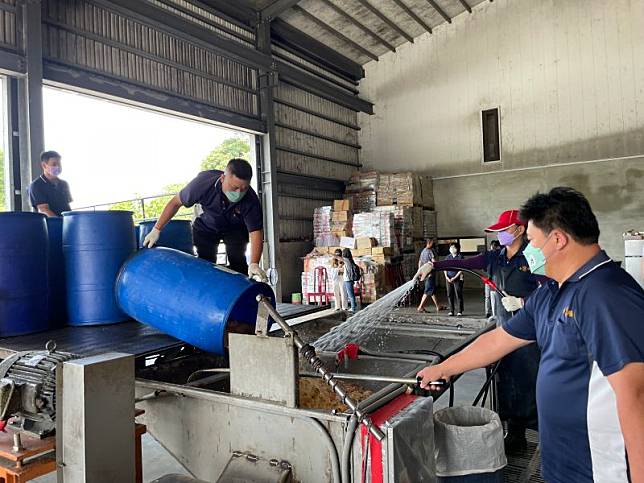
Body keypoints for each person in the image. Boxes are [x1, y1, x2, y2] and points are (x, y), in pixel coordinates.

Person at [417, 187, 644, 483]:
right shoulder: (551, 291)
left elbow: (636, 398)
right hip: (562, 463)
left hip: (600, 470)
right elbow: (499, 340)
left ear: (558, 239)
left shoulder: (607, 295)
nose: (529, 249)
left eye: (534, 241)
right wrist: (444, 368)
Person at [416, 209, 541, 450]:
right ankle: (515, 436)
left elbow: (552, 290)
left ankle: (542, 436)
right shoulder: (495, 257)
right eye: (499, 231)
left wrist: (524, 302)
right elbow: (463, 263)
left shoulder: (534, 257)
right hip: (503, 329)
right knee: (506, 382)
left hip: (530, 334)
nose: (501, 234)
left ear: (520, 230)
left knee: (530, 383)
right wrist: (434, 265)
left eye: (505, 230)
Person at [144, 159, 267, 282]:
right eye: (234, 188)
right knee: (206, 263)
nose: (238, 193)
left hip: (235, 229)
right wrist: (156, 229)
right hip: (205, 226)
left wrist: (254, 263)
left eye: (243, 189)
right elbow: (176, 202)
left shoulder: (251, 199)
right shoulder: (202, 184)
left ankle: (240, 296)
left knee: (238, 262)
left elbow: (255, 232)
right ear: (223, 178)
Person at [28, 151, 72, 217]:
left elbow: (67, 208)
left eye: (59, 164)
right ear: (44, 165)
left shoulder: (64, 184)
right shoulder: (36, 186)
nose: (58, 167)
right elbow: (44, 210)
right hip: (49, 224)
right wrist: (60, 222)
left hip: (66, 223)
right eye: (54, 164)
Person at [416, 239, 443, 313]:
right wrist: (439, 266)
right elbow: (434, 262)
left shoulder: (423, 251)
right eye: (432, 243)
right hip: (430, 274)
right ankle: (420, 307)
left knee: (431, 291)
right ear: (429, 243)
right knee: (427, 291)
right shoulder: (430, 251)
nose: (433, 244)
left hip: (425, 274)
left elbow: (420, 262)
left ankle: (438, 306)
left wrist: (420, 271)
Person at [444, 243, 464, 316]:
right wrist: (446, 277)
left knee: (458, 294)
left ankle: (460, 310)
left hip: (457, 278)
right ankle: (451, 310)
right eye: (451, 247)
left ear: (457, 249)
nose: (451, 249)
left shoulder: (460, 257)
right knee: (449, 294)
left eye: (453, 247)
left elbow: (461, 269)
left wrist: (455, 277)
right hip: (448, 279)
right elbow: (445, 268)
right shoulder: (448, 257)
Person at [485, 240, 501, 317]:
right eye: (492, 246)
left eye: (495, 246)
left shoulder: (499, 255)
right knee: (489, 296)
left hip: (495, 280)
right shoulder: (489, 255)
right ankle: (490, 312)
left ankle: (496, 314)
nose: (493, 247)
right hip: (489, 279)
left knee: (494, 297)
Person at [341, 248, 360, 313]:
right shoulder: (350, 260)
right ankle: (353, 305)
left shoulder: (346, 260)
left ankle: (353, 308)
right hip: (349, 279)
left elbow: (338, 258)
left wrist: (329, 253)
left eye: (342, 253)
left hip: (348, 280)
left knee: (351, 295)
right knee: (350, 294)